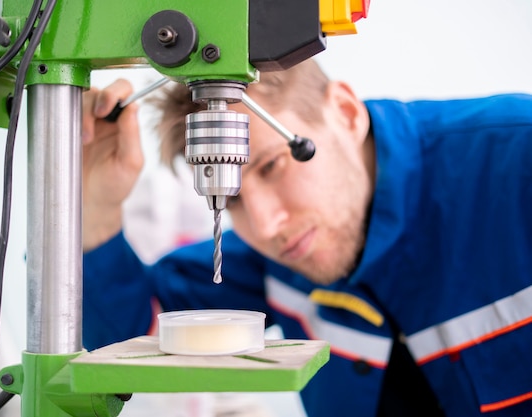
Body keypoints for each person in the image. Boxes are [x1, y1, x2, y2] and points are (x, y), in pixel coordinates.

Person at [80, 59, 532, 416]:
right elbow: (133, 342)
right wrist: (96, 208)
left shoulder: (517, 163)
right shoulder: (273, 256)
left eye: (274, 166)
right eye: (231, 199)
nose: (265, 224)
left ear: (346, 112)